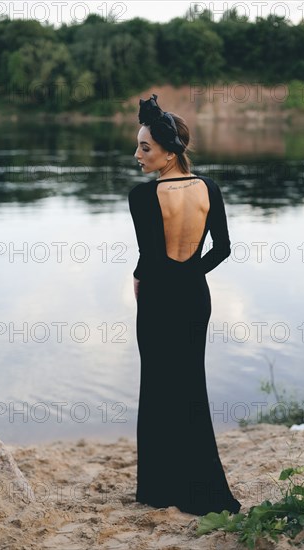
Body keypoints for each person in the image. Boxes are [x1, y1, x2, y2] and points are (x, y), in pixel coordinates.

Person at [128, 93, 241, 516]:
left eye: (145, 147)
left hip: (158, 299)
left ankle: (159, 489)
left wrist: (142, 282)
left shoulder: (141, 197)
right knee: (191, 385)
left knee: (158, 385)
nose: (137, 154)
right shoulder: (209, 188)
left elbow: (148, 259)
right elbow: (223, 248)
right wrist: (191, 274)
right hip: (195, 297)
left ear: (170, 151)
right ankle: (202, 485)